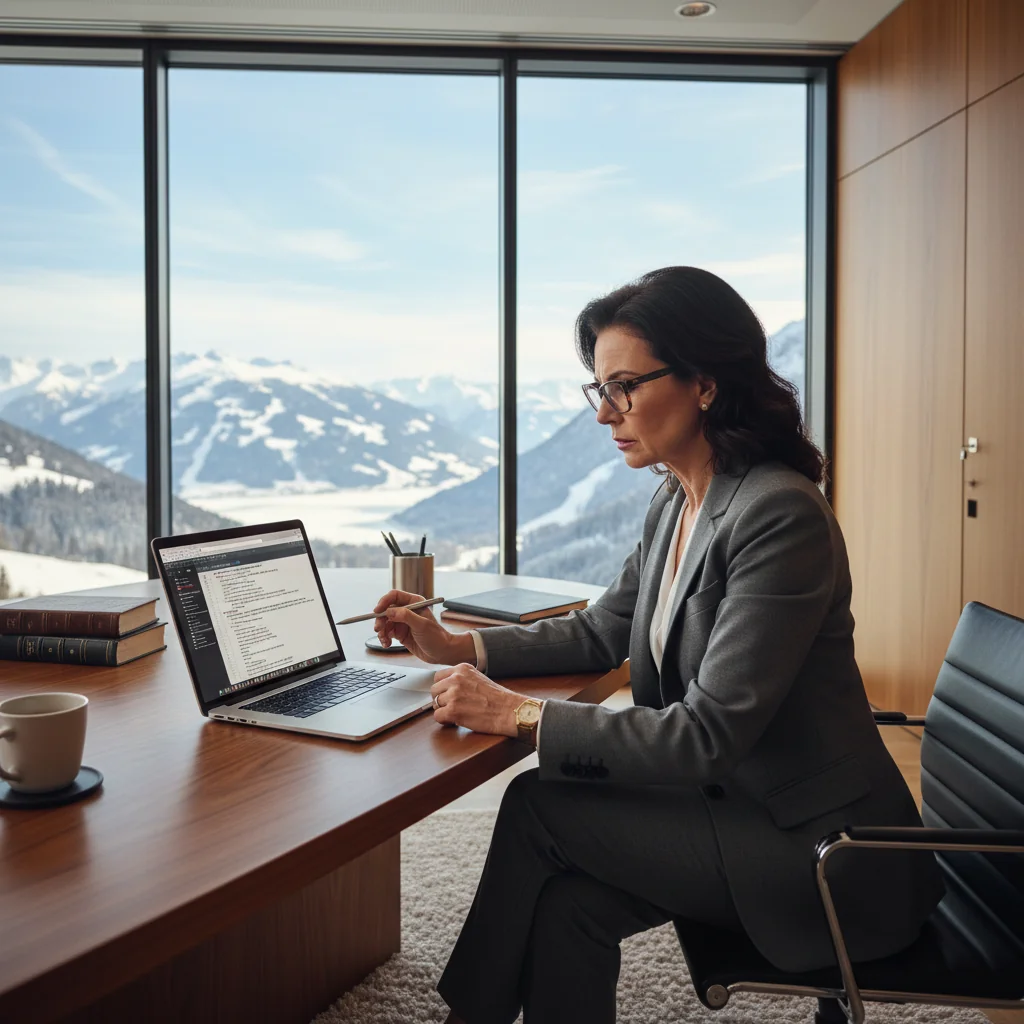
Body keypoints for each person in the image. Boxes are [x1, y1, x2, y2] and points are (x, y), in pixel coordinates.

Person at [372, 266, 943, 1024]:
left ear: (705, 382)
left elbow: (707, 735)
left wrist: (521, 717)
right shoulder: (680, 495)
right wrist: (459, 650)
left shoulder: (778, 516)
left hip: (821, 851)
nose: (606, 412)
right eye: (598, 388)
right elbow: (605, 628)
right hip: (735, 810)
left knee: (541, 805)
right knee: (569, 903)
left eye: (625, 386)